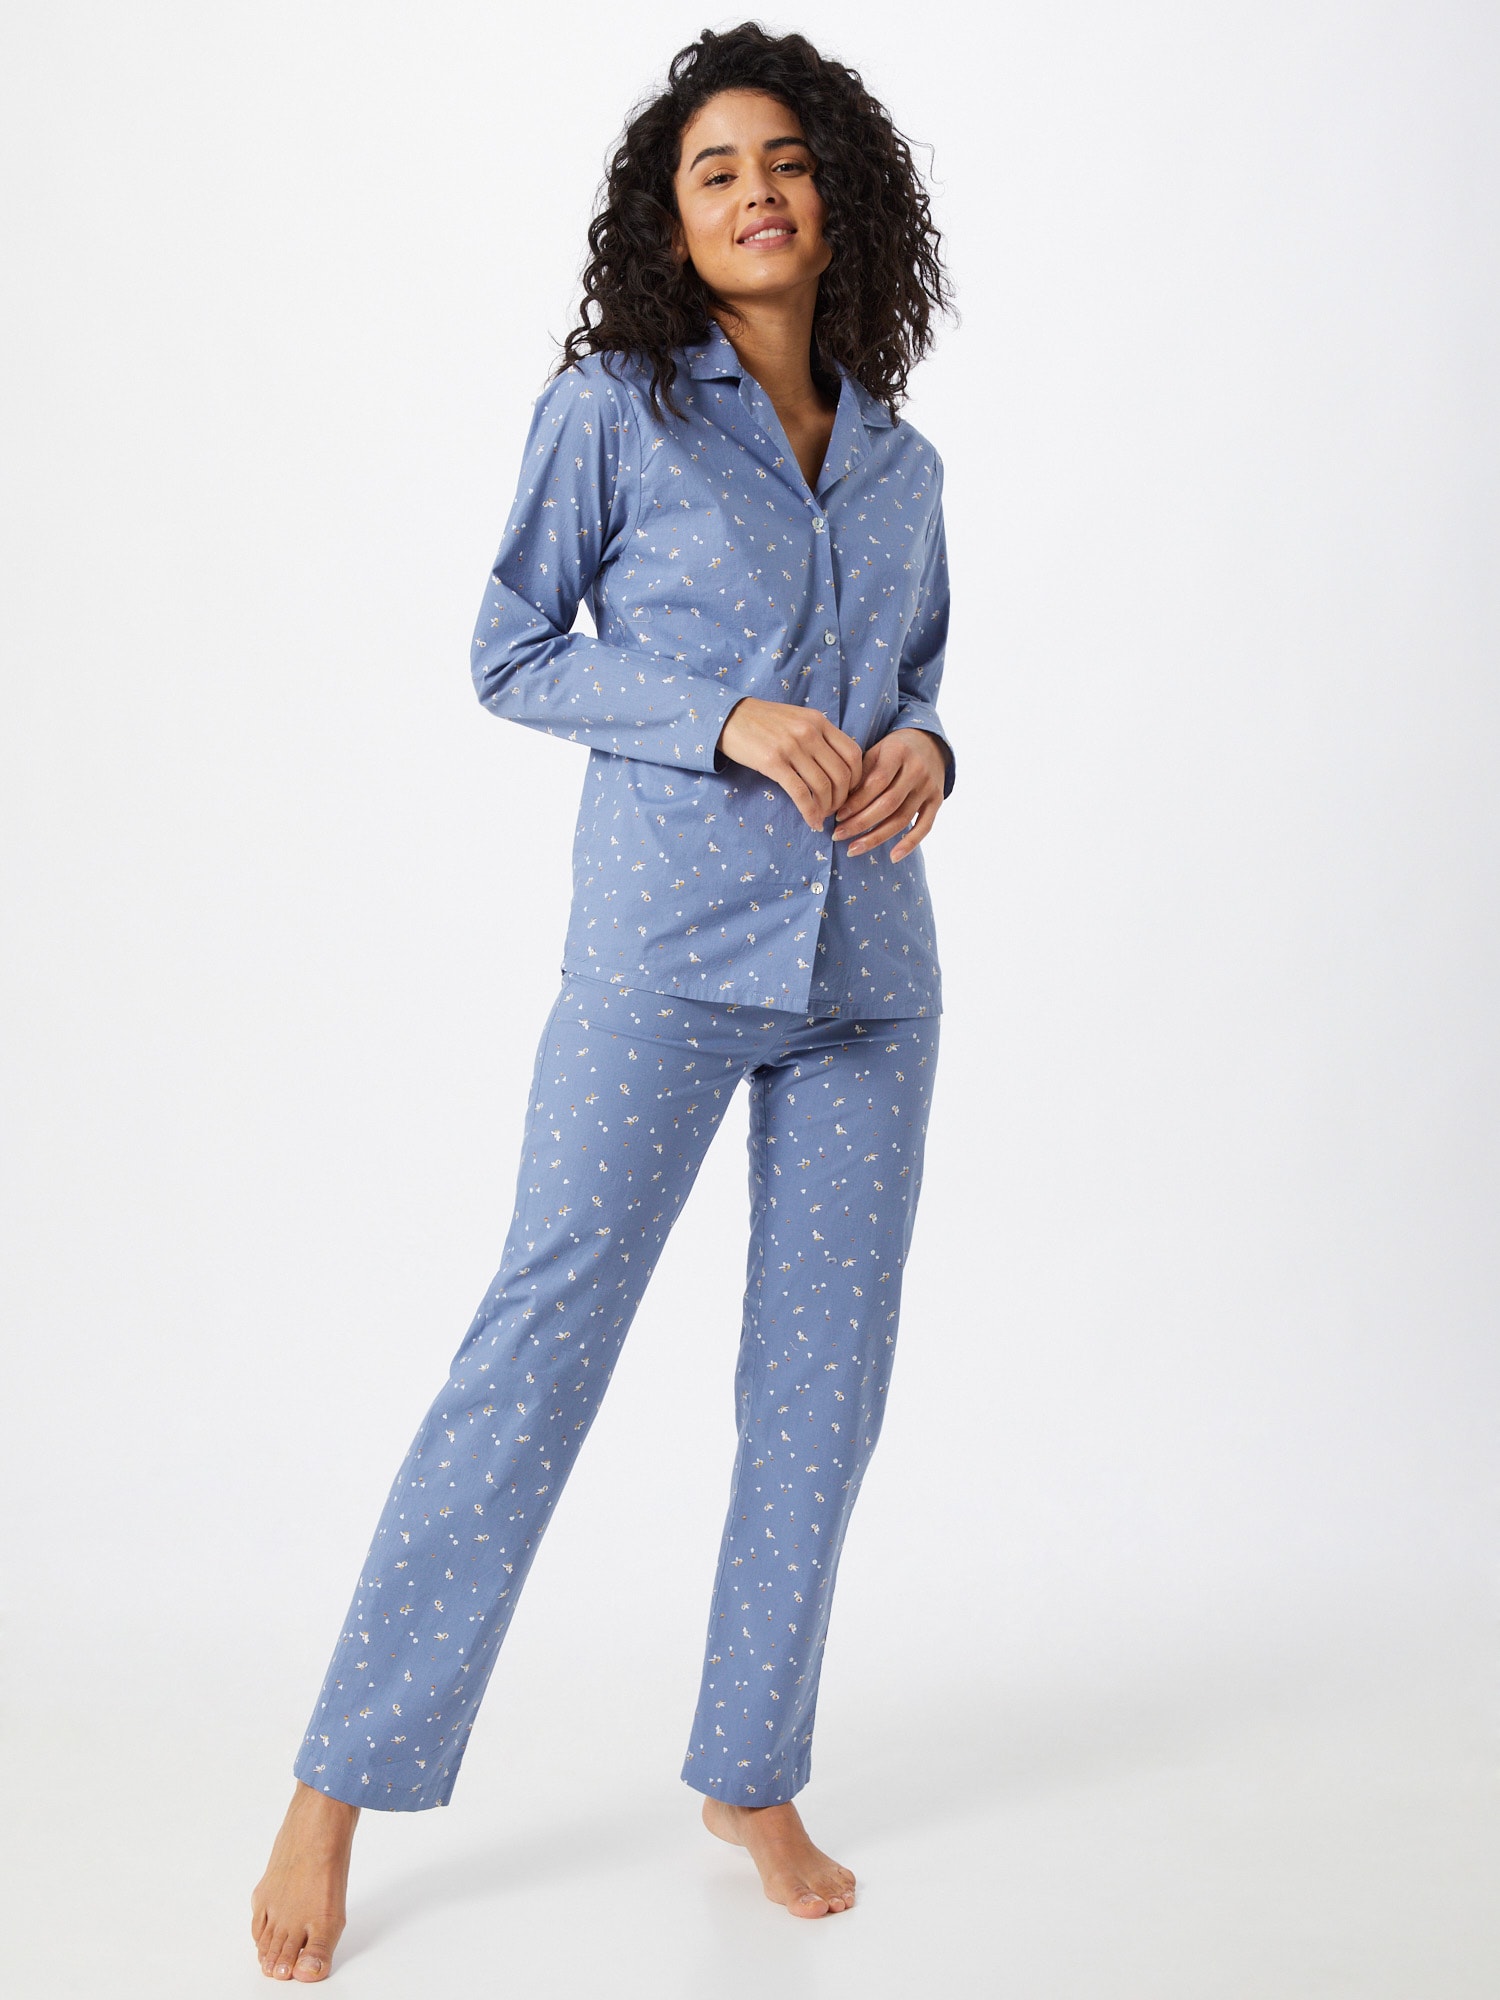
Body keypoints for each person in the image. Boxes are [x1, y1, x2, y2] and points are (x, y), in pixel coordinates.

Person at [251, 19, 956, 1980]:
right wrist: (719, 714)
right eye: (717, 169)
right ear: (672, 217)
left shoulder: (905, 462)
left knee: (821, 1396)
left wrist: (933, 752)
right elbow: (508, 649)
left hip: (870, 976)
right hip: (663, 955)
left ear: (840, 202)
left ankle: (751, 1770)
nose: (757, 190)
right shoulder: (611, 413)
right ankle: (336, 1779)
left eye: (787, 161)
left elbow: (913, 682)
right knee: (537, 1352)